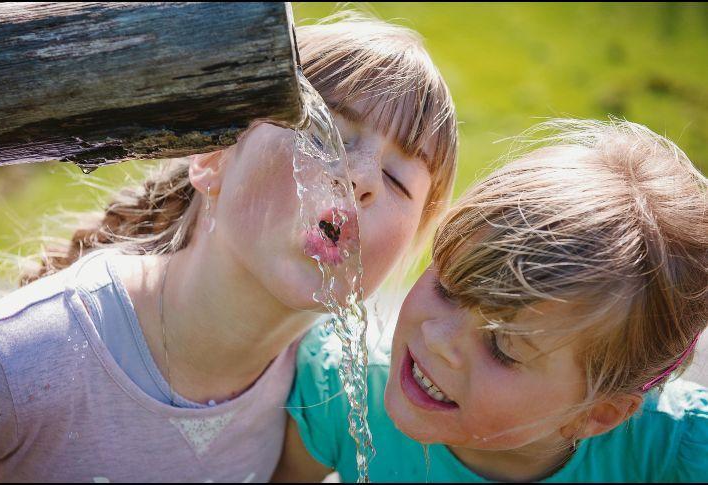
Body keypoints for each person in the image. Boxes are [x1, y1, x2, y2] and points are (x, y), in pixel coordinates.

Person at [0, 15, 457, 482]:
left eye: (397, 180)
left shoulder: (322, 393)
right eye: (325, 137)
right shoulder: (21, 355)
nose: (361, 178)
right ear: (213, 158)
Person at [277, 119, 708, 483]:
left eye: (502, 348)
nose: (439, 338)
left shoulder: (675, 456)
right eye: (448, 289)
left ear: (598, 414)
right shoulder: (342, 393)